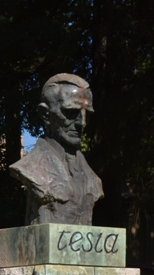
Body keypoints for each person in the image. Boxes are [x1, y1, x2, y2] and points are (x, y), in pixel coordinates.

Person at [9, 73, 104, 226]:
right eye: (71, 113)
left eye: (87, 114)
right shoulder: (31, 169)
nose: (83, 123)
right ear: (45, 114)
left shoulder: (92, 178)